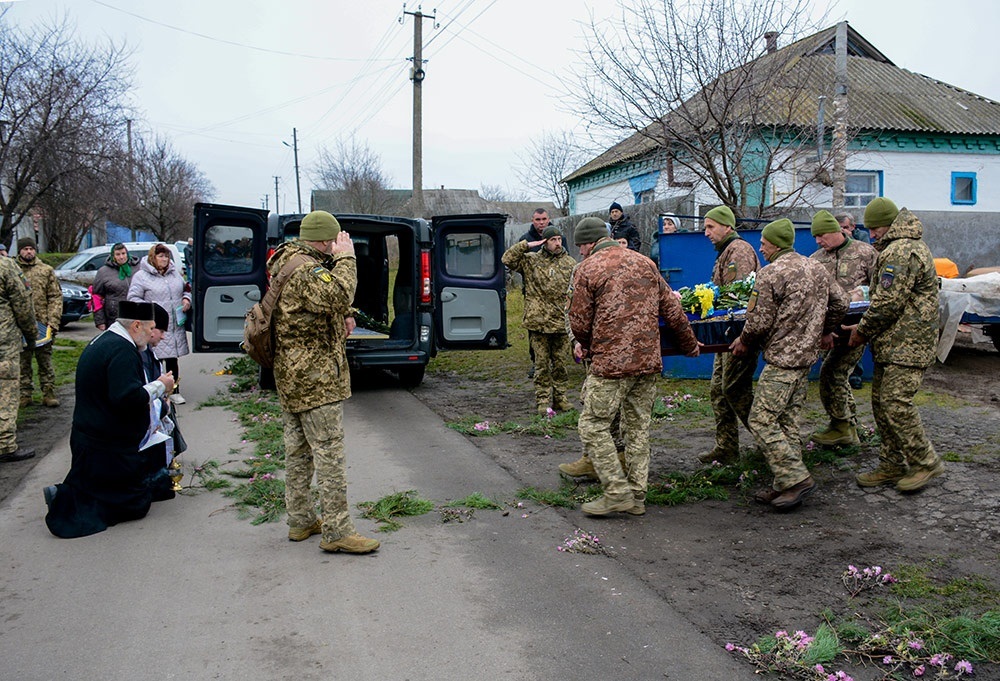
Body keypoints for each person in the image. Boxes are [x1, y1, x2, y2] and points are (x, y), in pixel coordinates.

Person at [565, 217, 699, 517]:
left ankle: (616, 491)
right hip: (648, 361)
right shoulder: (645, 263)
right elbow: (673, 310)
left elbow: (579, 321)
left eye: (581, 246)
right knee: (637, 428)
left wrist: (584, 344)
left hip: (610, 364)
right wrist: (690, 345)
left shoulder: (587, 269)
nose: (582, 252)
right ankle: (637, 495)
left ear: (587, 243)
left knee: (592, 424)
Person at [271, 210, 379, 554]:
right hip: (314, 377)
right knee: (329, 453)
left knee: (299, 451)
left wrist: (342, 315)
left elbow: (319, 303)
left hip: (291, 374)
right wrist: (347, 259)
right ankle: (337, 531)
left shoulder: (288, 260)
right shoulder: (307, 268)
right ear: (325, 240)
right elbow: (339, 293)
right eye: (336, 239)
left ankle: (300, 520)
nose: (340, 244)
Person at [730, 219, 848, 511]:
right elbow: (842, 302)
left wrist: (744, 340)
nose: (760, 248)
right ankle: (784, 484)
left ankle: (796, 478)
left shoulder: (771, 273)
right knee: (788, 421)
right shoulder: (816, 267)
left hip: (782, 359)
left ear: (777, 244)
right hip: (807, 358)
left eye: (764, 243)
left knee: (761, 419)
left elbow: (757, 322)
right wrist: (823, 330)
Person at [43, 301, 177, 538]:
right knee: (136, 504)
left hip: (96, 440)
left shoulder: (109, 341)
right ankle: (65, 498)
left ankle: (73, 493)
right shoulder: (122, 350)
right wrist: (161, 385)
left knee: (131, 491)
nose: (151, 334)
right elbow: (126, 398)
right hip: (104, 446)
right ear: (136, 325)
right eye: (151, 328)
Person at [848, 198, 944, 492]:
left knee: (895, 404)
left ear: (886, 224)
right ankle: (892, 463)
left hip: (908, 344)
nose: (871, 234)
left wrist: (861, 331)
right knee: (881, 404)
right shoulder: (898, 247)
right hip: (895, 343)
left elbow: (888, 302)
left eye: (873, 228)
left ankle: (925, 462)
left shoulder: (901, 250)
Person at [808, 210, 878, 447]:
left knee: (833, 373)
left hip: (855, 327)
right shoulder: (815, 259)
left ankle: (842, 425)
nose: (818, 241)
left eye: (822, 235)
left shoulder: (865, 252)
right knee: (837, 376)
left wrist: (863, 294)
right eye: (815, 236)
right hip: (828, 328)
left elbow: (882, 289)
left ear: (837, 230)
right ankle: (848, 427)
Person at [698, 206, 761, 464]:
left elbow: (739, 298)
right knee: (719, 391)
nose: (706, 233)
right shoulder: (725, 251)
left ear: (727, 226)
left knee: (735, 390)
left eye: (711, 227)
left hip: (737, 336)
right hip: (724, 337)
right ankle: (726, 447)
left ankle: (772, 442)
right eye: (705, 227)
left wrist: (743, 338)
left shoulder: (739, 251)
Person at [502, 225, 578, 415]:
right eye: (553, 240)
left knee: (560, 364)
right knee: (541, 364)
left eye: (559, 239)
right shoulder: (531, 261)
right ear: (545, 242)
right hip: (539, 322)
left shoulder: (570, 263)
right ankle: (542, 399)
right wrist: (526, 245)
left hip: (561, 322)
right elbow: (507, 259)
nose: (558, 243)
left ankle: (561, 398)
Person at [128, 243, 191, 404]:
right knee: (152, 359)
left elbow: (185, 289)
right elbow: (133, 298)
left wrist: (186, 299)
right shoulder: (141, 276)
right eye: (161, 256)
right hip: (153, 325)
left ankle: (174, 390)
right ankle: (154, 391)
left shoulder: (174, 273)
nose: (164, 259)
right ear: (153, 258)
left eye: (167, 256)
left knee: (171, 359)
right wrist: (151, 310)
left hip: (173, 324)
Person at [16, 237, 62, 408]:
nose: (29, 252)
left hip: (43, 325)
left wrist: (53, 322)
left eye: (31, 249)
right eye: (25, 249)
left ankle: (48, 392)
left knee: (45, 362)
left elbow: (55, 296)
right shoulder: (13, 270)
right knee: (23, 362)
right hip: (19, 326)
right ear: (19, 251)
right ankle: (25, 394)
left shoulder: (46, 270)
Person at [0, 256, 37, 463]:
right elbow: (22, 305)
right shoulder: (5, 266)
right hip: (3, 343)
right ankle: (5, 444)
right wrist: (32, 335)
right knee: (5, 389)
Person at [517, 209, 552, 379]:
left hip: (554, 293)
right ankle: (536, 362)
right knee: (534, 328)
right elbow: (518, 263)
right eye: (538, 219)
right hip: (533, 293)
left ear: (548, 219)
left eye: (544, 219)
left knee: (555, 328)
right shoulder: (526, 239)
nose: (541, 222)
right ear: (533, 220)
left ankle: (553, 361)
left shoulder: (557, 237)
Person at [92, 243, 139, 331]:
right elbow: (96, 297)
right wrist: (100, 321)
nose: (121, 257)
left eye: (123, 253)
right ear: (113, 256)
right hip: (114, 318)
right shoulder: (103, 272)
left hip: (137, 316)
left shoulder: (138, 268)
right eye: (118, 254)